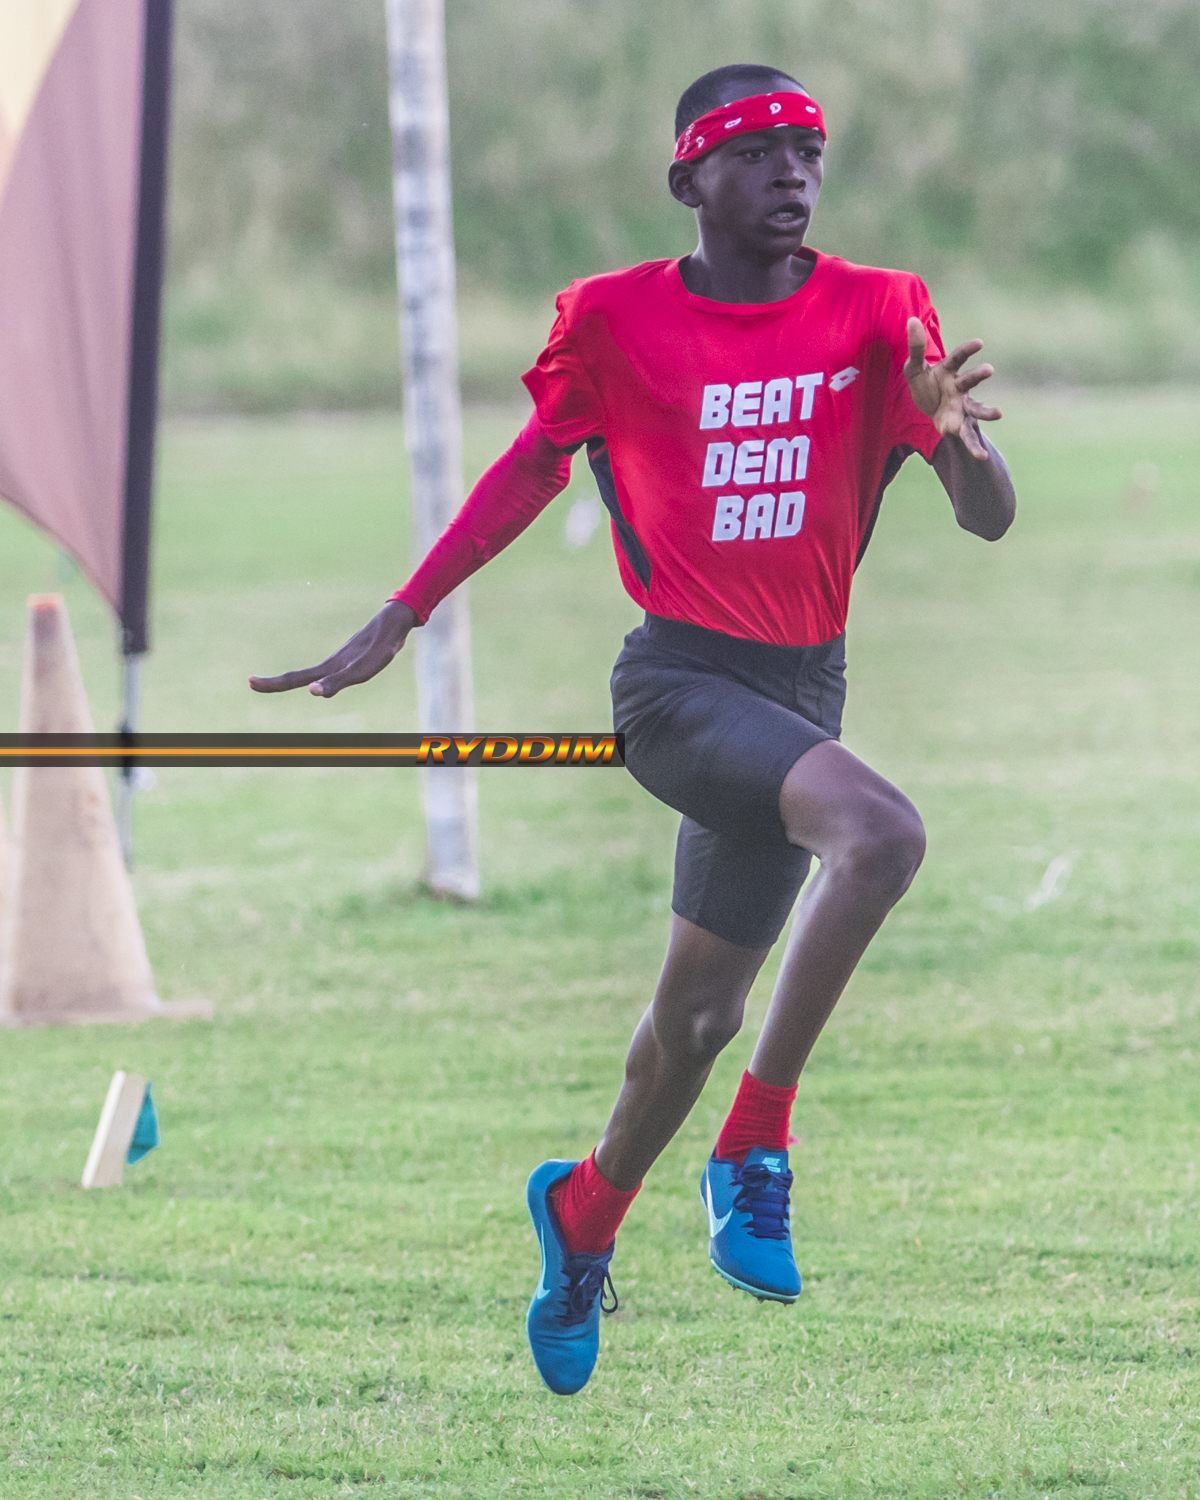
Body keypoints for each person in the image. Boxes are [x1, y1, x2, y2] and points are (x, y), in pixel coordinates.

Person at [250, 62, 1016, 1398]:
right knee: (882, 836)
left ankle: (586, 1214)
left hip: (799, 696)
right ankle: (753, 1149)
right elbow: (529, 469)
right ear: (690, 183)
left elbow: (989, 514)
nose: (792, 172)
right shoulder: (614, 323)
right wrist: (404, 612)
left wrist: (959, 437)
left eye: (809, 149)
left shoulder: (879, 315)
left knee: (698, 1016)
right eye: (758, 149)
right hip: (675, 690)